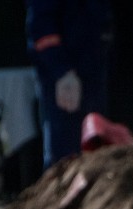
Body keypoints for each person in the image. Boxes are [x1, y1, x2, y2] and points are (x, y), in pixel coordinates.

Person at [25, 0, 113, 169]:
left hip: (94, 73)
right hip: (65, 76)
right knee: (64, 159)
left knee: (96, 154)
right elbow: (41, 24)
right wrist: (62, 71)